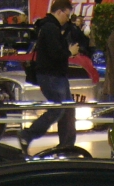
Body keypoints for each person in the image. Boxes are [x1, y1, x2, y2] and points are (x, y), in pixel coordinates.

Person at [18, 0, 78, 154]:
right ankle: (27, 135)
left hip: (55, 75)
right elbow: (55, 53)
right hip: (51, 75)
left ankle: (67, 145)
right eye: (67, 15)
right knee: (58, 109)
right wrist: (69, 52)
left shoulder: (49, 27)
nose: (68, 19)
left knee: (67, 110)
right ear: (59, 12)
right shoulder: (50, 28)